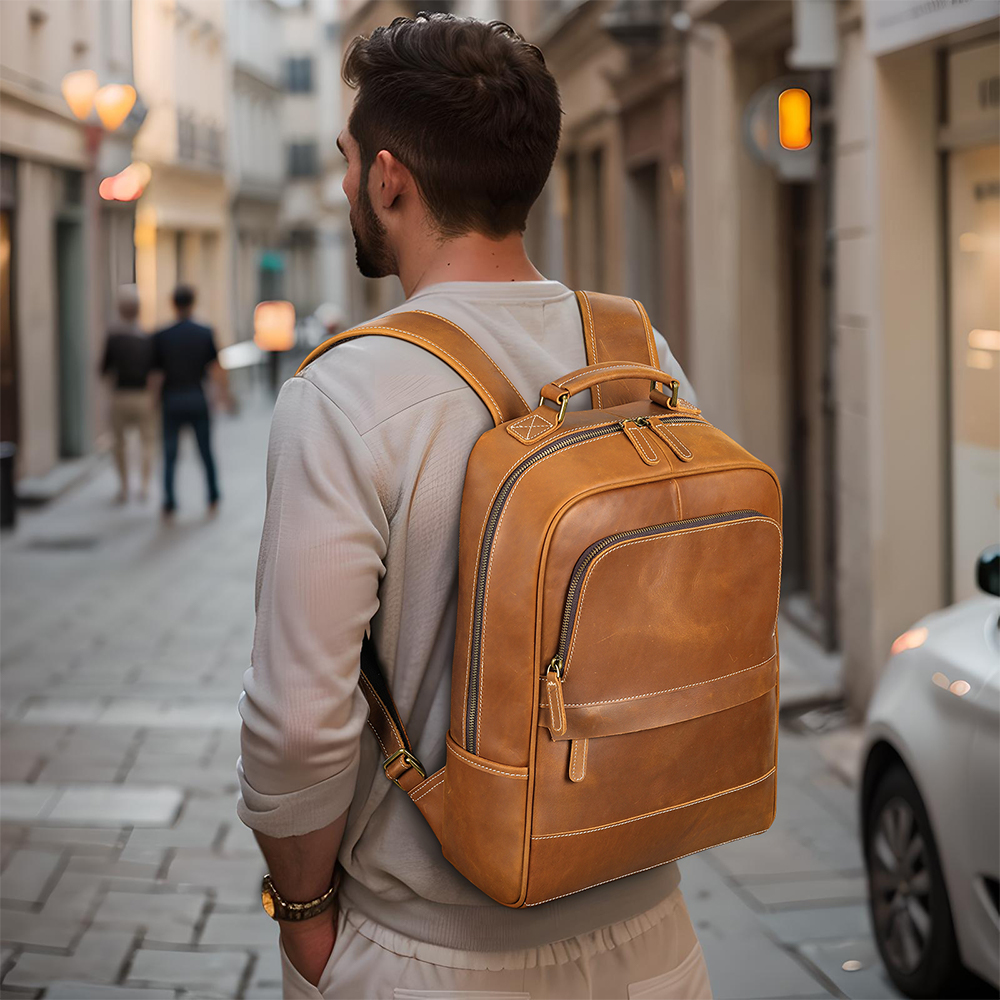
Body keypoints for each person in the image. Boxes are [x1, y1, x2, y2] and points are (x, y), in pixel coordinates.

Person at [237, 13, 712, 1000]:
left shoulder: (344, 393)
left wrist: (305, 922)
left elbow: (295, 726)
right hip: (653, 936)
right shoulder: (636, 353)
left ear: (387, 178)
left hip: (433, 952)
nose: (343, 183)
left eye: (346, 160)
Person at [151, 285, 231, 517]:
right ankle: (213, 496)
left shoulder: (162, 335)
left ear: (173, 304)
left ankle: (169, 501)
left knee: (169, 452)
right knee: (205, 451)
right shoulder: (204, 332)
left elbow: (156, 374)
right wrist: (222, 396)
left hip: (171, 398)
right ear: (193, 303)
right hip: (197, 396)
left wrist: (154, 401)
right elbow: (216, 368)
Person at [100, 284, 155, 504]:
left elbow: (103, 370)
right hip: (143, 396)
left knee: (119, 443)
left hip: (121, 395)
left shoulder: (113, 338)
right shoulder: (147, 338)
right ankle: (144, 485)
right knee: (148, 442)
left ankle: (124, 487)